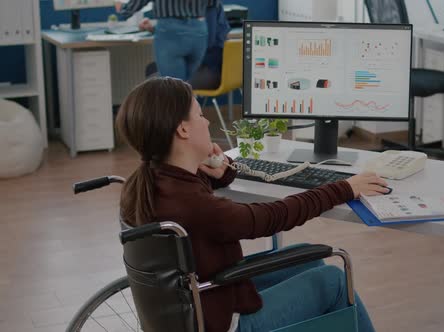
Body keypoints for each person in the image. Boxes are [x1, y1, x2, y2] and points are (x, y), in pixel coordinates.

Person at [115, 77, 387, 332]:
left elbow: (200, 206)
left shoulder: (154, 182)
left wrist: (221, 170)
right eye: (199, 114)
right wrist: (344, 188)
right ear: (182, 129)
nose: (207, 122)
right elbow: (272, 217)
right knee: (334, 282)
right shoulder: (191, 203)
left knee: (310, 258)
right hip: (224, 321)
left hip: (201, 297)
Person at [142, 0, 229, 89]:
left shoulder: (205, 8)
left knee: (155, 79)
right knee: (152, 69)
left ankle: (177, 100)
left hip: (210, 71)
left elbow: (207, 40)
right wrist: (154, 29)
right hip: (208, 67)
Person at [116, 0, 209, 82]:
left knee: (173, 87)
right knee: (189, 86)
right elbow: (212, 4)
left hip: (171, 33)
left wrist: (121, 8)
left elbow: (130, 8)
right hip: (199, 30)